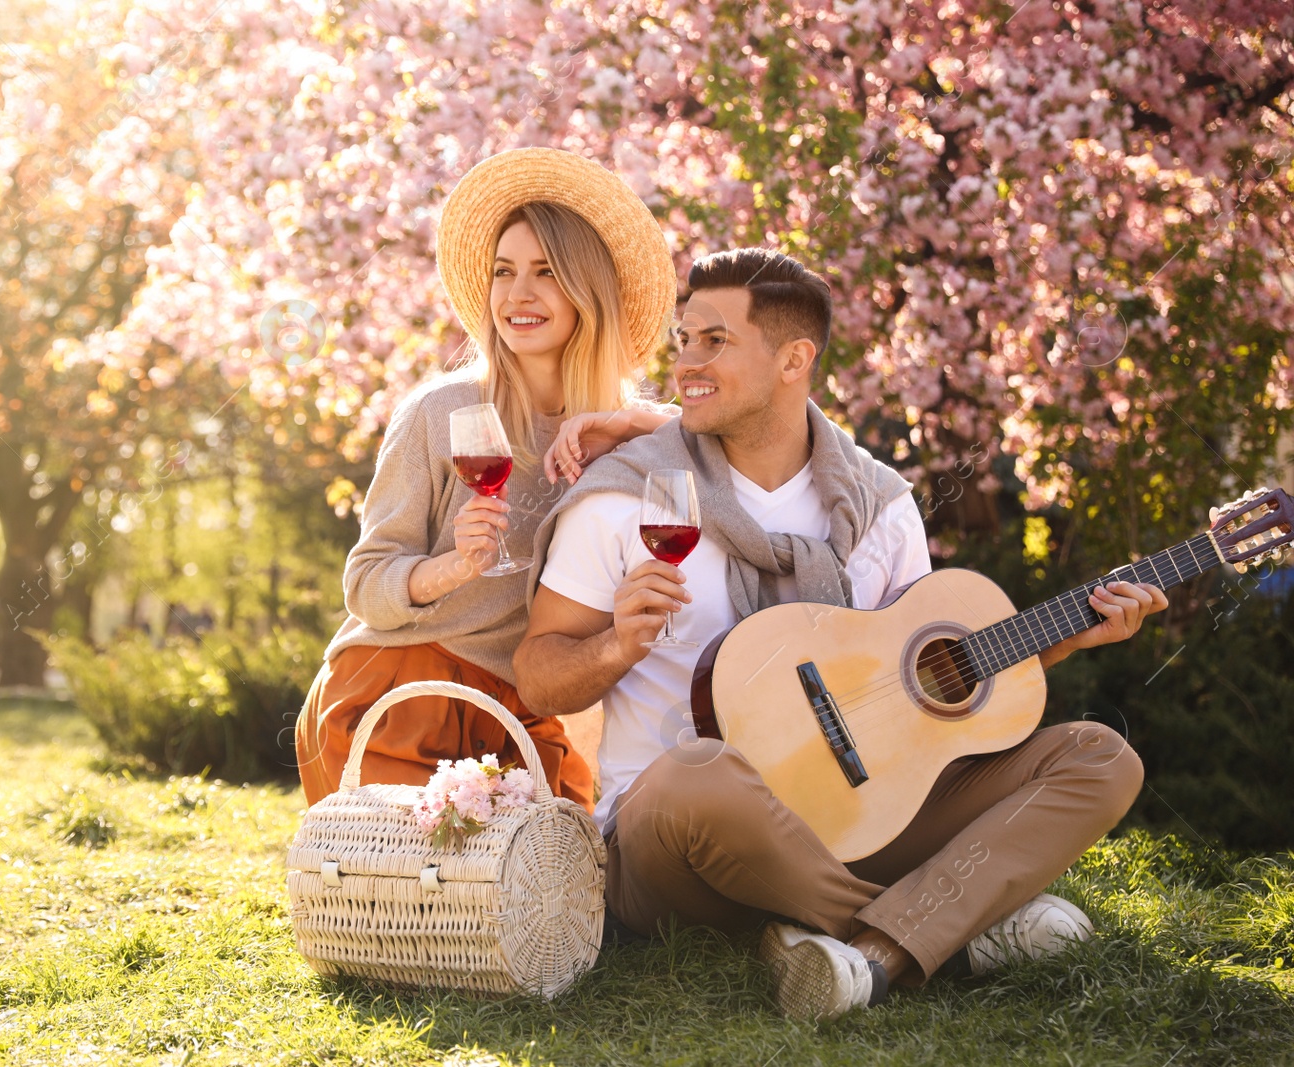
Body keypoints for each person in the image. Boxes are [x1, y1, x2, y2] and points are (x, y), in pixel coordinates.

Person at [513, 247, 1167, 1019]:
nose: (686, 362)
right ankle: (951, 925)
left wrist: (1058, 642)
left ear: (794, 359)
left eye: (714, 341)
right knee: (699, 769)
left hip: (851, 817)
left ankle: (861, 948)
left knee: (1100, 756)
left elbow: (924, 681)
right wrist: (616, 644)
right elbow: (537, 674)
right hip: (676, 838)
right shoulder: (632, 495)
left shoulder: (879, 505)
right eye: (683, 339)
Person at [293, 148, 679, 810]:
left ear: (587, 292)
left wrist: (630, 420)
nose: (517, 294)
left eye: (545, 273)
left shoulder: (616, 439)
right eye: (504, 271)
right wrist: (450, 568)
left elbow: (711, 451)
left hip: (516, 711)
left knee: (553, 882)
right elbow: (364, 583)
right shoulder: (441, 414)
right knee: (437, 884)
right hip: (398, 691)